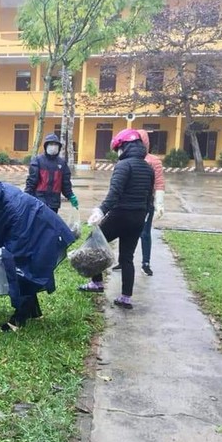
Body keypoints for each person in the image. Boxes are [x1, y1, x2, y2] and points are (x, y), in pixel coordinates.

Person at [0, 175, 76, 332]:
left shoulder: (14, 207)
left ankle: (19, 318)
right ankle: (34, 313)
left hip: (42, 230)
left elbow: (17, 247)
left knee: (22, 270)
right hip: (27, 227)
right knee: (21, 269)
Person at [79, 129, 154, 309]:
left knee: (94, 244)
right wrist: (143, 214)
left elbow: (114, 194)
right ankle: (126, 298)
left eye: (118, 149)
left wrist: (100, 210)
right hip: (138, 217)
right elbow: (148, 198)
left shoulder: (123, 165)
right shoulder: (148, 168)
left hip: (120, 215)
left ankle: (96, 283)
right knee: (127, 258)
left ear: (124, 147)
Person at [112, 129, 165, 276]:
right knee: (125, 235)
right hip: (126, 206)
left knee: (145, 234)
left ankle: (145, 263)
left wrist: (159, 203)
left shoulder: (154, 161)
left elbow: (159, 183)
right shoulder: (124, 160)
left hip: (145, 205)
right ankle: (122, 261)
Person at [24, 134, 78, 214]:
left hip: (54, 203)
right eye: (51, 144)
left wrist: (71, 196)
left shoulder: (62, 163)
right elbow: (32, 181)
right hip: (39, 200)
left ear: (59, 147)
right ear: (46, 146)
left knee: (51, 224)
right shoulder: (38, 161)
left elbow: (65, 184)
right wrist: (26, 195)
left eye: (55, 144)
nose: (53, 147)